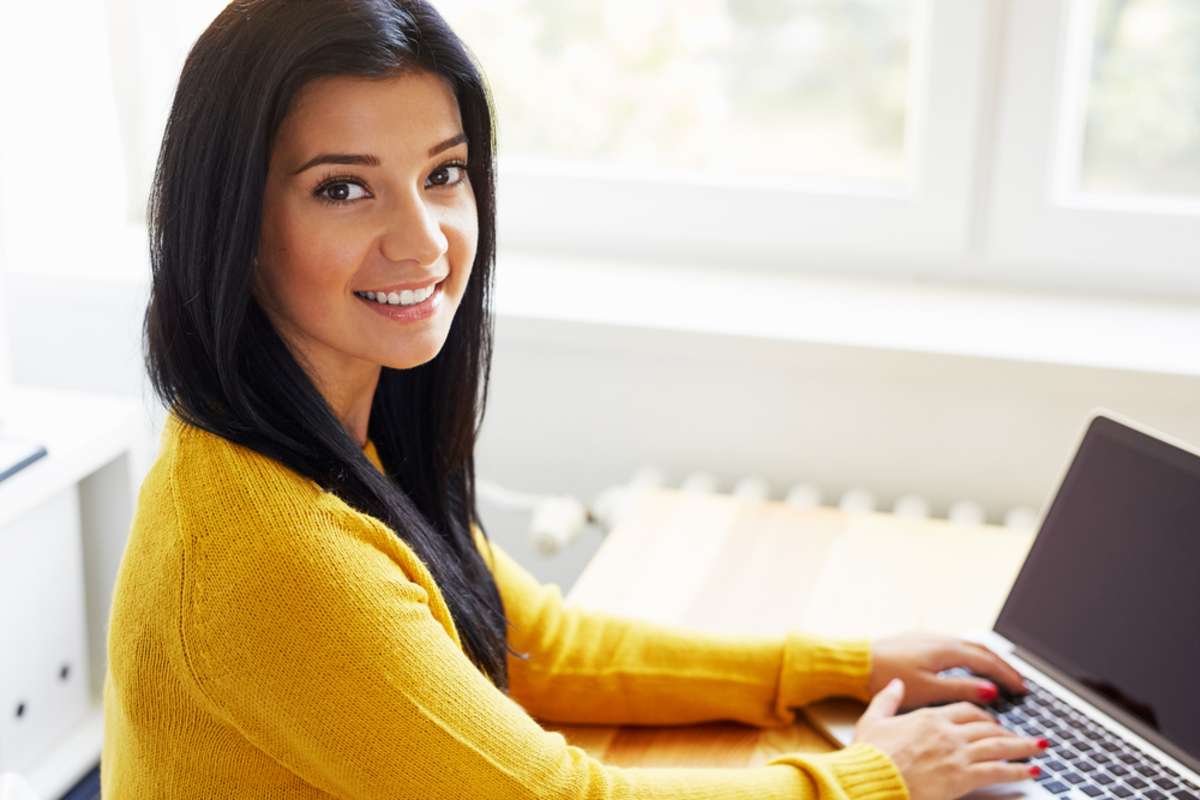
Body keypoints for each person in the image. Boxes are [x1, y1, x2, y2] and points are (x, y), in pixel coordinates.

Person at [101, 1, 1049, 797]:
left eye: (443, 174)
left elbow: (531, 648)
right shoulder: (273, 551)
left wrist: (842, 667)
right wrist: (870, 777)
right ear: (234, 221)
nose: (424, 240)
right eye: (345, 188)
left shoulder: (335, 429)